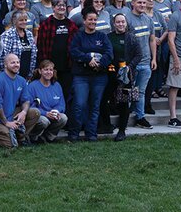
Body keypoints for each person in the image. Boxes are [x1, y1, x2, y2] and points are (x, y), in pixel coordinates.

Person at [67, 11, 111, 142]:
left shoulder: (102, 36)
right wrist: (87, 59)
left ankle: (91, 134)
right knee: (79, 104)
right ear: (84, 21)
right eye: (90, 19)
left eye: (95, 20)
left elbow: (109, 53)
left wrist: (100, 64)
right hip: (81, 76)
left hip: (99, 77)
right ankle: (74, 133)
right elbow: (74, 51)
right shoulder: (78, 36)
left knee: (95, 106)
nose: (92, 22)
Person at [102, 13, 144, 141]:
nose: (120, 24)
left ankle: (121, 130)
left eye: (122, 22)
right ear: (113, 24)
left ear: (126, 23)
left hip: (126, 76)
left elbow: (139, 54)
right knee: (104, 100)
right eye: (118, 22)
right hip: (110, 74)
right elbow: (105, 53)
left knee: (124, 103)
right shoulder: (108, 37)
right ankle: (107, 125)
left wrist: (129, 67)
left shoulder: (131, 38)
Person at [0, 53, 29, 149]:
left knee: (34, 113)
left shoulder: (22, 81)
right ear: (5, 65)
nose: (16, 64)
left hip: (11, 114)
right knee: (10, 145)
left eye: (18, 62)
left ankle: (19, 136)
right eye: (12, 62)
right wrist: (6, 122)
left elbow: (26, 100)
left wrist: (23, 112)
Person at [24, 60, 68, 144]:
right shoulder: (32, 86)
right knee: (44, 121)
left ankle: (47, 137)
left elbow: (61, 104)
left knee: (63, 118)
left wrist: (56, 111)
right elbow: (29, 107)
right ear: (40, 71)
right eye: (46, 69)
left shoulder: (57, 85)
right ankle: (33, 137)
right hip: (40, 116)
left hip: (52, 115)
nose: (49, 72)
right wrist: (45, 113)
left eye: (51, 70)